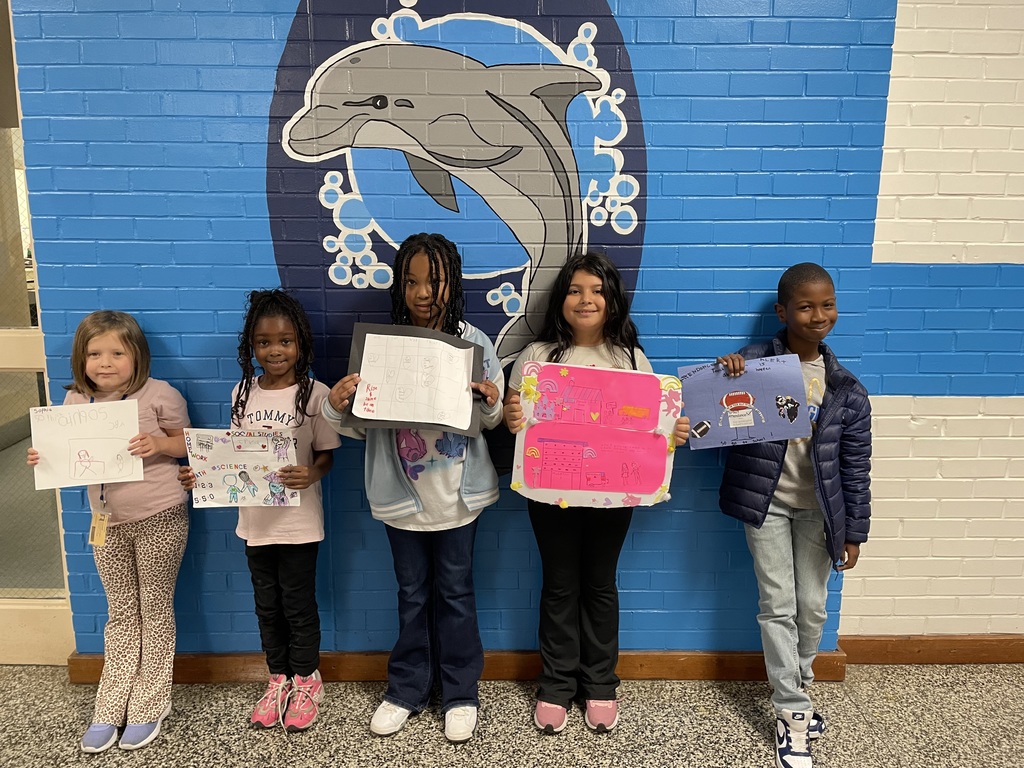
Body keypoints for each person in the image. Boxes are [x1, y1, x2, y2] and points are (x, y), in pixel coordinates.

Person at [322, 233, 503, 743]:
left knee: (456, 594)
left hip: (457, 500)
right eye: (413, 281)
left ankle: (461, 692)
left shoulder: (475, 342)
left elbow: (489, 417)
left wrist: (489, 399)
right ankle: (406, 689)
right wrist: (338, 403)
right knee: (411, 595)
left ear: (454, 283)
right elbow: (356, 423)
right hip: (402, 501)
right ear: (400, 286)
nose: (425, 292)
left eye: (437, 280)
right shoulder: (382, 345)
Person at [502, 251, 691, 735]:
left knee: (600, 584)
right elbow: (515, 418)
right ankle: (557, 685)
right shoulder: (538, 356)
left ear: (612, 300)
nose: (585, 300)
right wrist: (512, 418)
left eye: (596, 291)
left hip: (615, 494)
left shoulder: (631, 358)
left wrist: (673, 430)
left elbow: (651, 426)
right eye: (574, 290)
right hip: (550, 491)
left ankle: (601, 684)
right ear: (560, 299)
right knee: (560, 583)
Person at [715, 262, 871, 768]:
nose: (818, 314)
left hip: (820, 514)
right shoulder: (753, 364)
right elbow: (712, 419)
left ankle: (799, 679)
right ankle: (792, 712)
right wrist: (726, 374)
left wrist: (855, 533)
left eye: (827, 304)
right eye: (805, 306)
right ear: (783, 312)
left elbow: (855, 468)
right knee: (777, 604)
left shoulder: (847, 389)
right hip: (766, 506)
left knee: (813, 608)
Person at [27, 311, 190, 753]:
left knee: (154, 610)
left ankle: (149, 702)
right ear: (80, 359)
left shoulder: (160, 395)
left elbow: (188, 443)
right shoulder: (76, 402)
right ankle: (110, 702)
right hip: (107, 524)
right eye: (94, 353)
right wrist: (45, 458)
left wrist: (160, 444)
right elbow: (66, 455)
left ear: (137, 356)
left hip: (159, 516)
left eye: (117, 352)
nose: (105, 362)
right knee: (121, 614)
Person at [178, 289, 340, 732]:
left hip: (300, 524)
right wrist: (203, 476)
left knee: (298, 605)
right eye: (265, 342)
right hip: (253, 522)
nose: (275, 350)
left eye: (285, 341)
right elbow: (231, 455)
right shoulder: (242, 391)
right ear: (252, 346)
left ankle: (308, 679)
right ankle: (278, 679)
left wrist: (312, 473)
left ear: (300, 344)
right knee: (267, 606)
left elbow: (327, 455)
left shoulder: (315, 394)